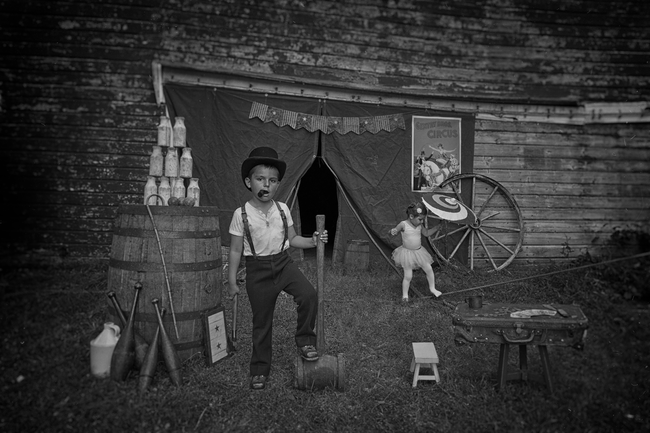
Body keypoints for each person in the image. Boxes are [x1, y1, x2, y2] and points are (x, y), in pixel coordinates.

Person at [227, 146, 328, 390]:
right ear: (248, 181)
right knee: (262, 322)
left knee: (309, 295)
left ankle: (305, 340)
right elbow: (235, 250)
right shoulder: (241, 214)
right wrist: (232, 280)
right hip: (257, 270)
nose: (267, 185)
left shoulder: (282, 209)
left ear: (278, 185)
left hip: (283, 264)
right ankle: (260, 369)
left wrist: (313, 240)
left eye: (272, 181)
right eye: (260, 179)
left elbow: (293, 240)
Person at [389, 201, 441, 302]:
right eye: (420, 219)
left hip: (419, 252)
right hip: (407, 254)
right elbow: (394, 231)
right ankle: (405, 295)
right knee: (408, 276)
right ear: (411, 216)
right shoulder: (403, 224)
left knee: (429, 269)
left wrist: (436, 228)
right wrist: (393, 231)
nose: (422, 222)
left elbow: (426, 233)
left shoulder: (419, 226)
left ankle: (432, 288)